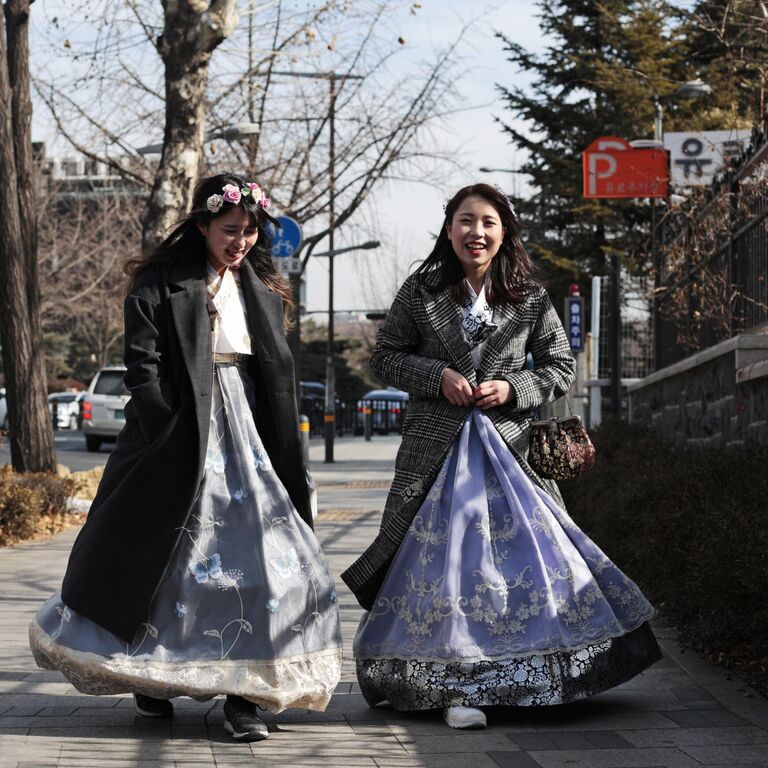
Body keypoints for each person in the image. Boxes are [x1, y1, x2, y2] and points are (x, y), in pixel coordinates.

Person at [29, 173, 342, 742]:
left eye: (249, 231)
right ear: (202, 226)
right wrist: (166, 426)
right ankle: (153, 678)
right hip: (177, 435)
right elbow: (141, 366)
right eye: (230, 230)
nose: (240, 241)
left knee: (265, 559)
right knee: (171, 557)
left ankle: (247, 694)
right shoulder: (159, 281)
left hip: (248, 433)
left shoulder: (262, 287)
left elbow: (275, 373)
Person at [342, 183, 661, 729]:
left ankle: (530, 676)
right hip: (433, 456)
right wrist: (437, 376)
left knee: (525, 568)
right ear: (449, 229)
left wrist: (513, 389)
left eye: (489, 222)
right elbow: (385, 358)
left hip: (512, 455)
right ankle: (449, 682)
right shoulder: (421, 290)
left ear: (504, 231)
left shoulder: (531, 298)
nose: (477, 232)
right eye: (466, 221)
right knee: (448, 570)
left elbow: (561, 367)